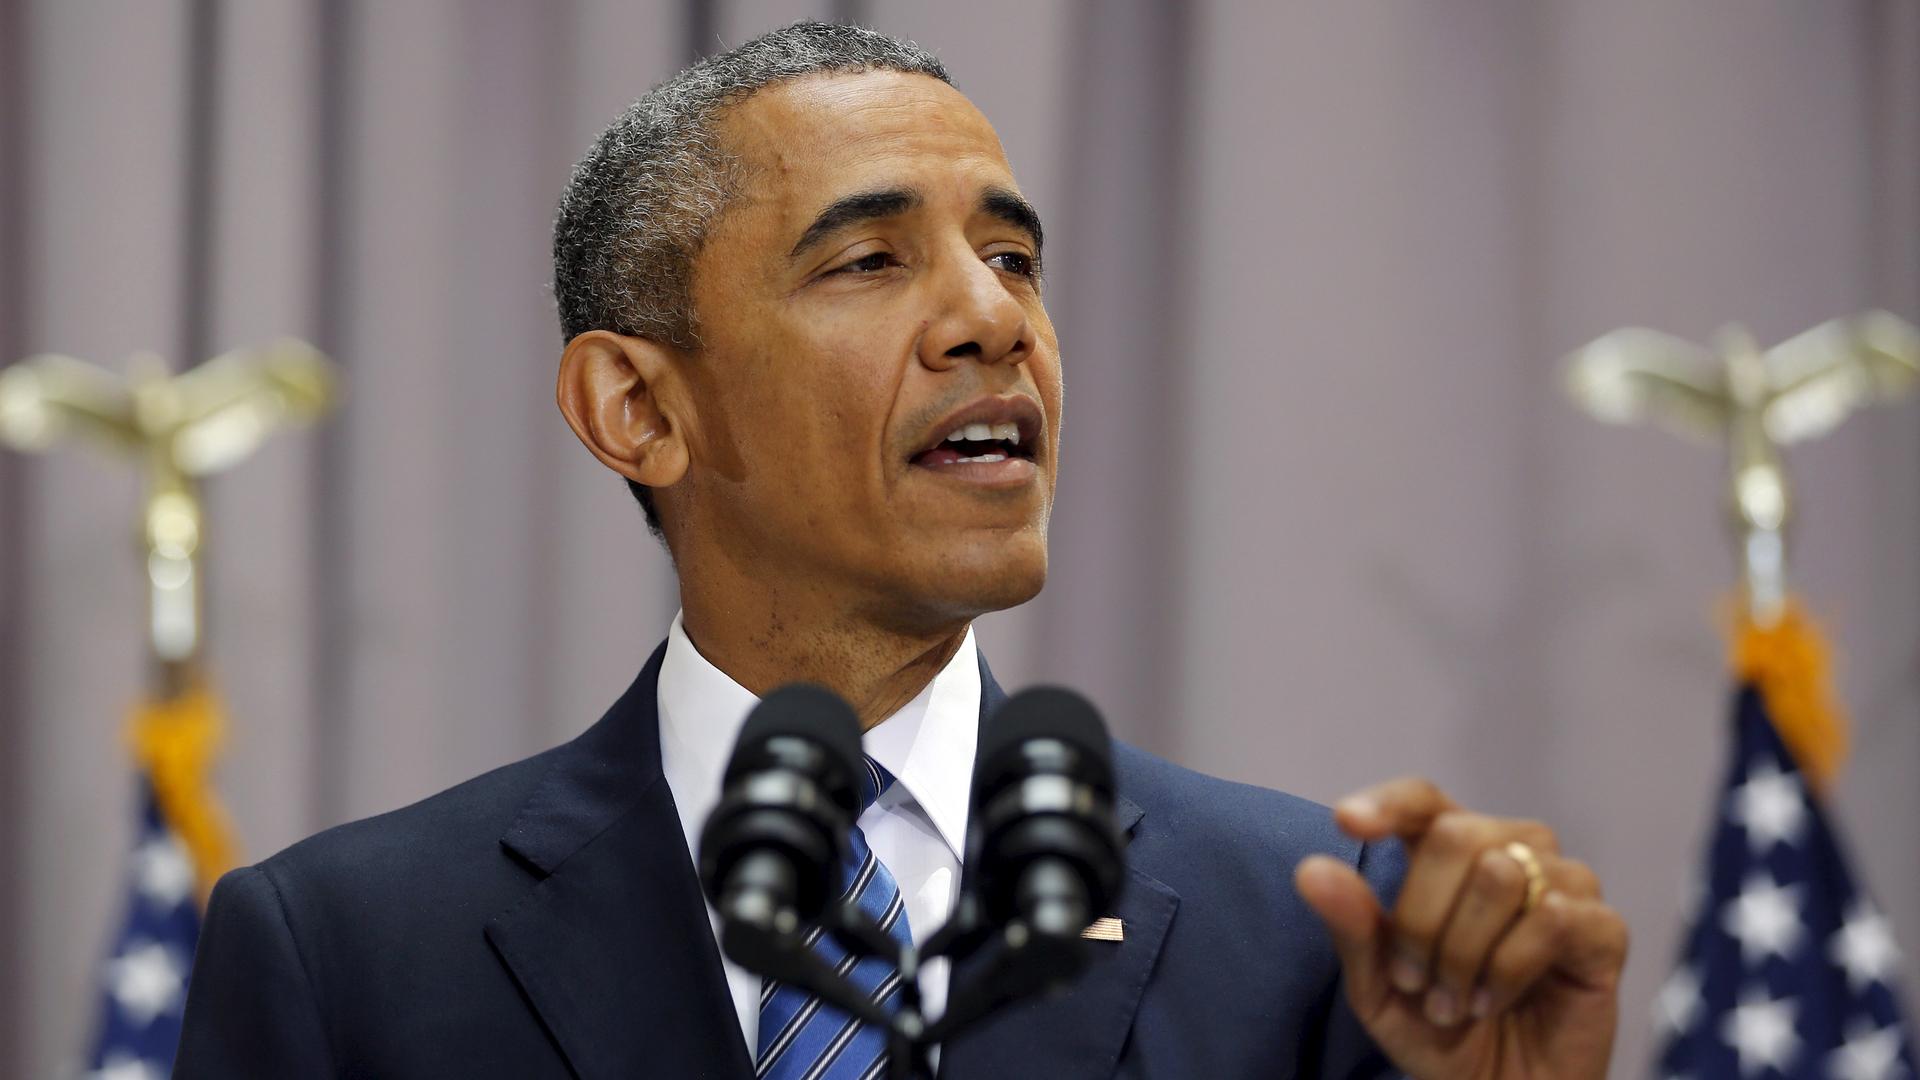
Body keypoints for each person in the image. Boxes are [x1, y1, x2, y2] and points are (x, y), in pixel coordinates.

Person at [174, 21, 1626, 1079]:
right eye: (868, 261)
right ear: (638, 407)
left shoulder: (1320, 935)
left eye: (1013, 260)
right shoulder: (348, 957)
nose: (994, 320)